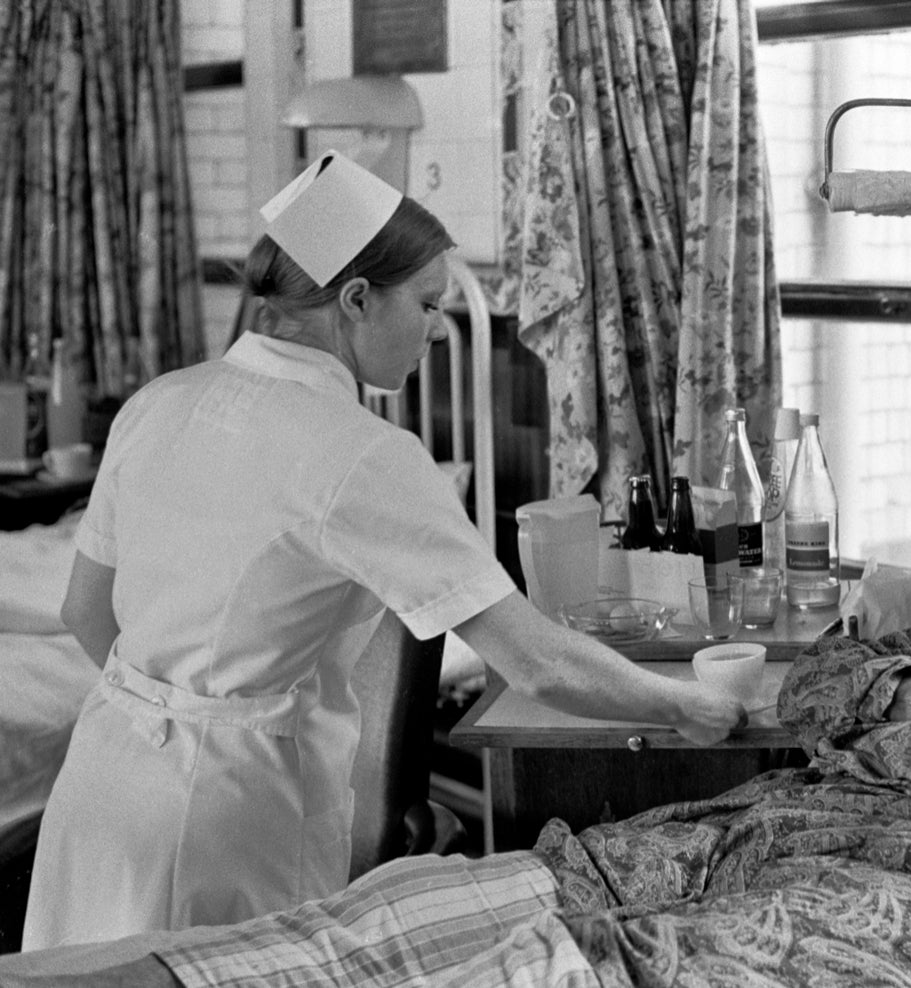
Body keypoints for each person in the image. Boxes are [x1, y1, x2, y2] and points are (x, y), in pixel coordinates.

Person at [8, 388, 911, 988]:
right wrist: (895, 688)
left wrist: (885, 693)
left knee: (581, 967)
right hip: (791, 828)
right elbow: (829, 668)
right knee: (426, 905)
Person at [21, 151, 743, 951]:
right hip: (226, 815)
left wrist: (168, 707)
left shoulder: (159, 402)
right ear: (357, 300)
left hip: (99, 784)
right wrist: (688, 706)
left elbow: (85, 613)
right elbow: (534, 663)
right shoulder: (362, 454)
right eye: (429, 302)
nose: (441, 327)